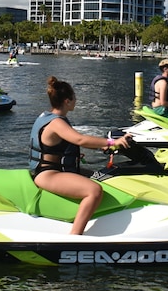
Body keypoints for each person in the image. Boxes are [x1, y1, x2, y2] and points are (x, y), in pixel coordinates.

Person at [29, 76, 131, 235]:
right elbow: (80, 139)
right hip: (48, 173)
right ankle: (75, 236)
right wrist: (112, 142)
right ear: (67, 101)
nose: (76, 100)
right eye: (74, 97)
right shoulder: (57, 122)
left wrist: (99, 147)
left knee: (103, 176)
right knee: (94, 190)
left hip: (54, 169)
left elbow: (55, 145)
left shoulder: (46, 117)